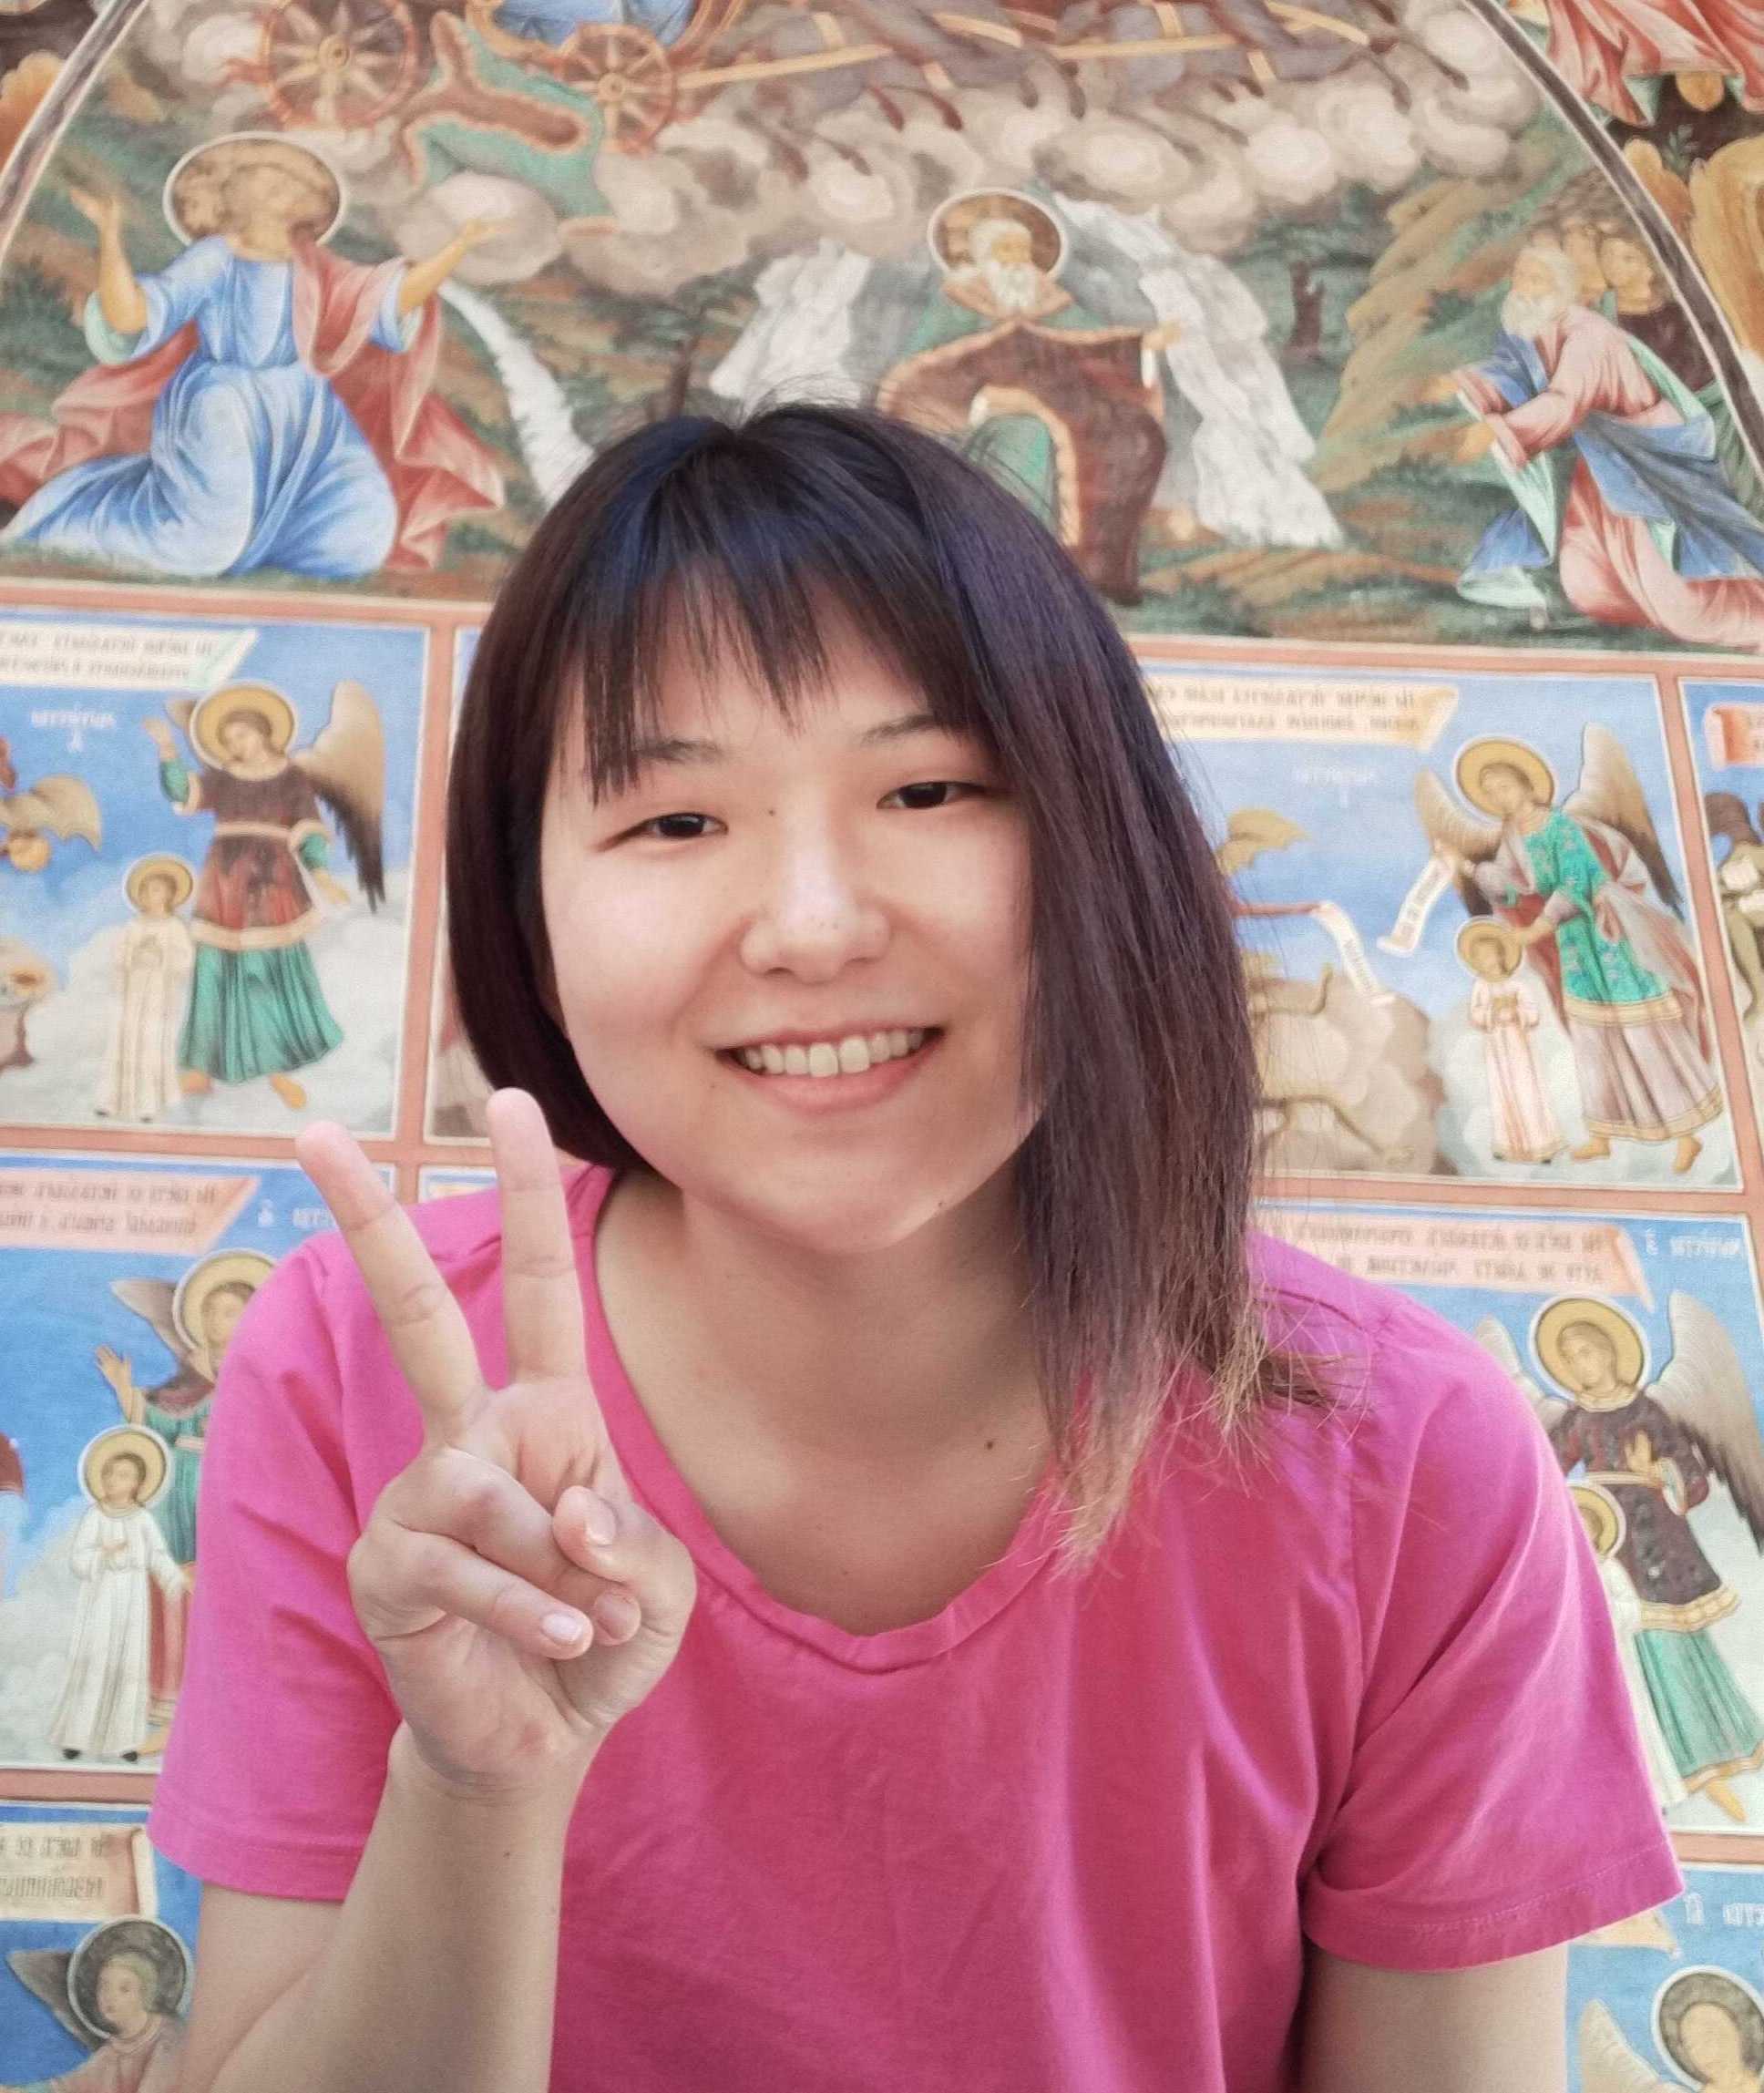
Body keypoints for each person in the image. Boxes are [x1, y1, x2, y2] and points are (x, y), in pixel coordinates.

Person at [146, 405, 1679, 2093]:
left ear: (1101, 842)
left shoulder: (1414, 1469)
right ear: (530, 914)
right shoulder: (353, 1372)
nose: (814, 926)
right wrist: (475, 1787)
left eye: (930, 787)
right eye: (675, 821)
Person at [0, 134, 503, 580]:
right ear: (231, 195)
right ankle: (87, 519)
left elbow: (390, 299)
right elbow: (133, 317)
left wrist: (459, 246)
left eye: (291, 183)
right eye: (271, 181)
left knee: (359, 540)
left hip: (305, 409)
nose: (289, 190)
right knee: (202, 547)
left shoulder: (314, 265)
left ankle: (272, 541)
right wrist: (110, 235)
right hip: (223, 403)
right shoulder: (215, 258)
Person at [1434, 241, 1764, 652]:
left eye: (1535, 279)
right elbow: (1515, 371)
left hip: (1641, 468)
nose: (1521, 287)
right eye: (1519, 275)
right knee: (1589, 585)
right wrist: (1464, 381)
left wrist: (1497, 431)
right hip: (1597, 468)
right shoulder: (1538, 325)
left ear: (1562, 288)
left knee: (1684, 603)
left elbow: (1565, 402)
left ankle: (1755, 621)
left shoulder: (1590, 336)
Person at [47, 1436, 189, 1763]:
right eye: (110, 1473)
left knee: (129, 1666)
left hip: (133, 1601)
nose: (114, 1480)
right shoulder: (95, 1516)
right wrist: (103, 1554)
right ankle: (76, 1737)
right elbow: (78, 1559)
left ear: (138, 1483)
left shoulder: (142, 1520)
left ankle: (125, 1741)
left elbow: (158, 1555)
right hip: (101, 1598)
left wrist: (177, 1581)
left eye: (123, 1475)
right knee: (94, 1662)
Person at [94, 857, 196, 1123]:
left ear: (169, 894)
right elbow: (119, 958)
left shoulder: (174, 927)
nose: (151, 895)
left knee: (151, 1043)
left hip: (158, 995)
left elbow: (185, 960)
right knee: (123, 1042)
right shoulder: (133, 926)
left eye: (157, 890)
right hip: (133, 992)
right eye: (147, 890)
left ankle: (148, 1104)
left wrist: (161, 954)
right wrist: (135, 953)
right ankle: (112, 1101)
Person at [1457, 918, 1564, 1164]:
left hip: (1519, 1045)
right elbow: (1476, 1016)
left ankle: (1540, 1145)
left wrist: (1515, 1009)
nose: (1486, 961)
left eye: (1489, 954)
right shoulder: (1481, 986)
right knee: (1502, 1092)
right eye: (1480, 957)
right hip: (1497, 1048)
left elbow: (1533, 1015)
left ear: (1500, 955)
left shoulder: (1517, 985)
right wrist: (1493, 1011)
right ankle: (1510, 1145)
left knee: (1526, 1090)